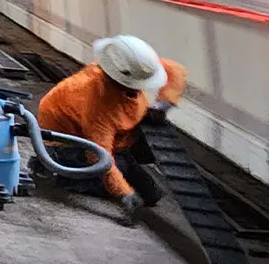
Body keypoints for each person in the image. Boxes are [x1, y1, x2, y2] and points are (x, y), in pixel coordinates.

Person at [35, 35, 185, 226]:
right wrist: (125, 195)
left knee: (151, 194)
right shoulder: (97, 104)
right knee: (119, 172)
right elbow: (98, 156)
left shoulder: (133, 67)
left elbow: (176, 71)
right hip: (68, 143)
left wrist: (163, 105)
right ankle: (56, 170)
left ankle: (120, 161)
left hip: (112, 138)